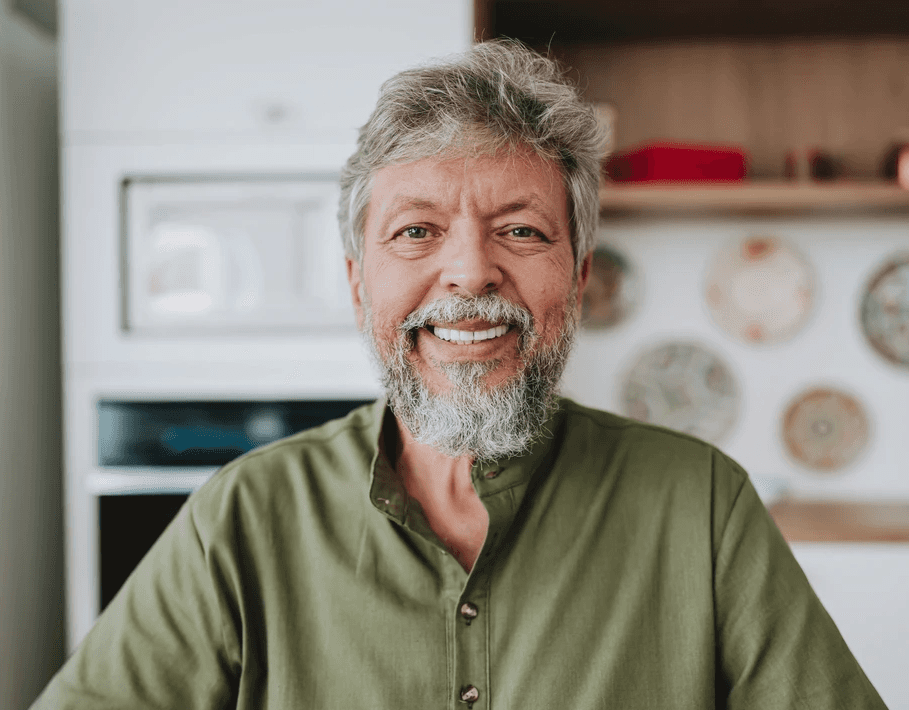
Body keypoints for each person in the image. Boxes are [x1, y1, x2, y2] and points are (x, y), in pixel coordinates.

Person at [31, 40, 887, 710]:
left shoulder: (701, 504)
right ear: (358, 279)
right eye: (415, 232)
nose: (470, 274)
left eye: (520, 231)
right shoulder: (243, 519)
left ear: (579, 278)